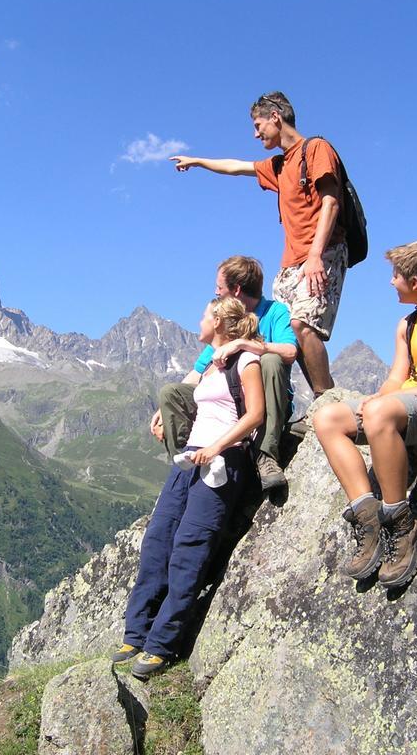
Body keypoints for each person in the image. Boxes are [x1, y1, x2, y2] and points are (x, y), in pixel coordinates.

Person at [312, 241, 417, 588]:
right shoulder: (406, 325)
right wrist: (376, 399)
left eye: (396, 276)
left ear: (415, 280)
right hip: (407, 405)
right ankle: (367, 515)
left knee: (380, 413)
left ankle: (402, 522)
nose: (391, 283)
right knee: (327, 419)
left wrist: (398, 398)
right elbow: (397, 376)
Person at [115, 295, 265, 679]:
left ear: (218, 321)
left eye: (203, 315)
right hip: (190, 458)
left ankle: (162, 644)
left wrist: (218, 446)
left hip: (222, 461)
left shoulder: (245, 362)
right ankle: (137, 632)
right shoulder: (212, 367)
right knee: (158, 539)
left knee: (190, 548)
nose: (197, 321)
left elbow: (256, 415)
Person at [170, 91, 346, 397]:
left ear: (275, 117)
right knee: (288, 332)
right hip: (291, 261)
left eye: (258, 124)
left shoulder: (315, 149)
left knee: (303, 324)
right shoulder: (279, 165)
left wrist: (317, 254)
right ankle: (303, 398)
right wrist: (198, 161)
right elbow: (237, 167)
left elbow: (331, 201)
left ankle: (326, 399)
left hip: (322, 250)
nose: (255, 133)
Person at [150, 256, 297, 490]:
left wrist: (245, 344)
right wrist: (163, 409)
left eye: (219, 287)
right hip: (228, 405)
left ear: (236, 289)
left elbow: (290, 351)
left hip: (264, 404)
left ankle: (265, 454)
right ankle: (190, 463)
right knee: (171, 393)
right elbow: (198, 373)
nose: (216, 292)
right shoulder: (228, 322)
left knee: (270, 361)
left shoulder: (274, 312)